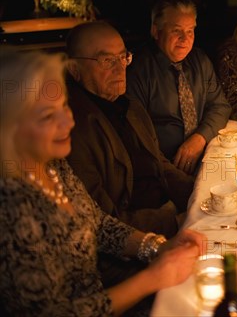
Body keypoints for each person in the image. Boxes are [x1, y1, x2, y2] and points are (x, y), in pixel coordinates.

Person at [0, 49, 207, 316]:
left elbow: (97, 223)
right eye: (48, 116)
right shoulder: (11, 210)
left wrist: (157, 246)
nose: (69, 121)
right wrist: (152, 279)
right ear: (8, 130)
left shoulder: (52, 165)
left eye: (64, 106)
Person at [65, 21, 195, 286]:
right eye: (106, 60)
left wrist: (200, 194)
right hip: (131, 251)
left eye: (123, 57)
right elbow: (105, 221)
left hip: (169, 220)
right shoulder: (70, 128)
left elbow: (159, 163)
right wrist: (175, 221)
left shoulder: (129, 106)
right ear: (74, 69)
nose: (120, 67)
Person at [126, 0, 231, 174]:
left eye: (190, 31)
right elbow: (137, 138)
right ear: (156, 31)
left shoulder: (200, 61)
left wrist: (200, 138)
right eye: (177, 30)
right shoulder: (139, 71)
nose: (185, 38)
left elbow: (220, 106)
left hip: (205, 157)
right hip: (162, 170)